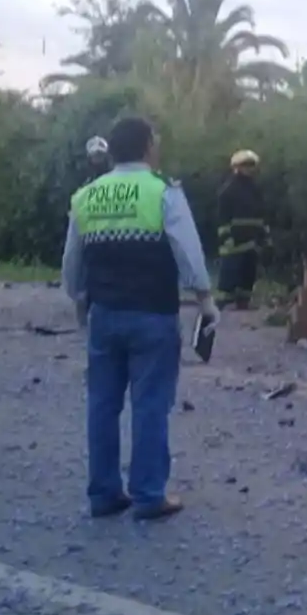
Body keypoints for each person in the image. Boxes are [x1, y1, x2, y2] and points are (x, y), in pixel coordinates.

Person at [61, 116, 219, 520]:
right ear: (148, 144)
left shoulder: (87, 196)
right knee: (149, 404)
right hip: (152, 313)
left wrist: (80, 299)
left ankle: (104, 493)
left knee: (102, 404)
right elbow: (188, 250)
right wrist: (204, 299)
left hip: (104, 314)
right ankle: (149, 494)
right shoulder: (162, 191)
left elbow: (72, 263)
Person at [215, 150, 268, 310]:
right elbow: (223, 218)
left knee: (248, 271)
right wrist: (226, 237)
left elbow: (261, 215)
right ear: (236, 167)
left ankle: (243, 301)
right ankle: (222, 302)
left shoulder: (255, 190)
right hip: (234, 240)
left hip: (251, 239)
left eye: (252, 165)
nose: (250, 169)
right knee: (230, 271)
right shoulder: (228, 190)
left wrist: (265, 236)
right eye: (246, 165)